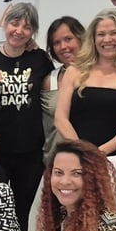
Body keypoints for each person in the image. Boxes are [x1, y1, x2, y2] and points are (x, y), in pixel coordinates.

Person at [0, 3, 53, 231]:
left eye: (27, 27)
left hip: (31, 153)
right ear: (5, 24)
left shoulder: (40, 58)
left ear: (33, 32)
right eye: (15, 23)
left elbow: (53, 87)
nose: (19, 30)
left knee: (21, 212)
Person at [54, 8, 116, 155]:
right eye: (101, 34)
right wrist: (82, 153)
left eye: (114, 33)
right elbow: (60, 119)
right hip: (75, 155)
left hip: (113, 157)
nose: (107, 39)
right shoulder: (74, 71)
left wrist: (99, 154)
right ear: (93, 39)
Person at [41, 15, 85, 162]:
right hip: (55, 161)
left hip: (93, 157)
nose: (63, 46)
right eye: (57, 43)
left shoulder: (98, 76)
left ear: (81, 38)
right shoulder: (49, 81)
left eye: (68, 39)